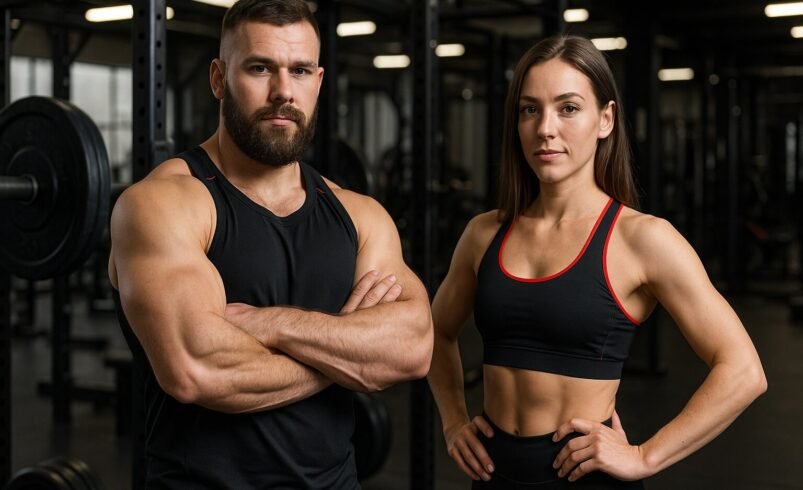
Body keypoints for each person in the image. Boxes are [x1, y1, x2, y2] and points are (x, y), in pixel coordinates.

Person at [108, 0, 433, 487]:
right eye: (260, 68)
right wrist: (351, 354)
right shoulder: (165, 204)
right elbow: (196, 370)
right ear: (218, 78)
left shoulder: (359, 214)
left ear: (319, 82)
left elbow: (412, 346)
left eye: (300, 71)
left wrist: (271, 325)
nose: (283, 91)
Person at [427, 35, 766, 489]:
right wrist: (453, 422)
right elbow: (435, 333)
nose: (546, 127)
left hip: (584, 476)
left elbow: (743, 370)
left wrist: (645, 456)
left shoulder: (642, 239)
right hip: (493, 474)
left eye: (568, 108)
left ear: (605, 119)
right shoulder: (484, 233)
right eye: (530, 109)